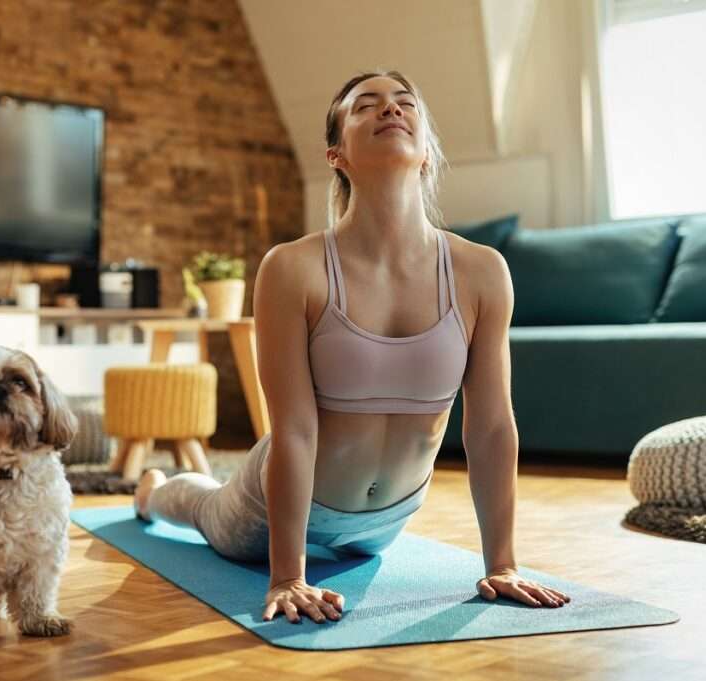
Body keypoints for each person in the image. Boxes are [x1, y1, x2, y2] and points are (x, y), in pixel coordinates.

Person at [134, 70, 572, 624]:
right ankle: (152, 493)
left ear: (427, 152)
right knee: (204, 509)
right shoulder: (293, 268)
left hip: (386, 522)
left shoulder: (482, 271)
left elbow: (490, 427)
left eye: (405, 103)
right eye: (366, 105)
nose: (390, 109)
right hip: (277, 505)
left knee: (359, 544)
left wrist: (502, 564)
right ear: (336, 154)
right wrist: (288, 576)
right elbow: (293, 428)